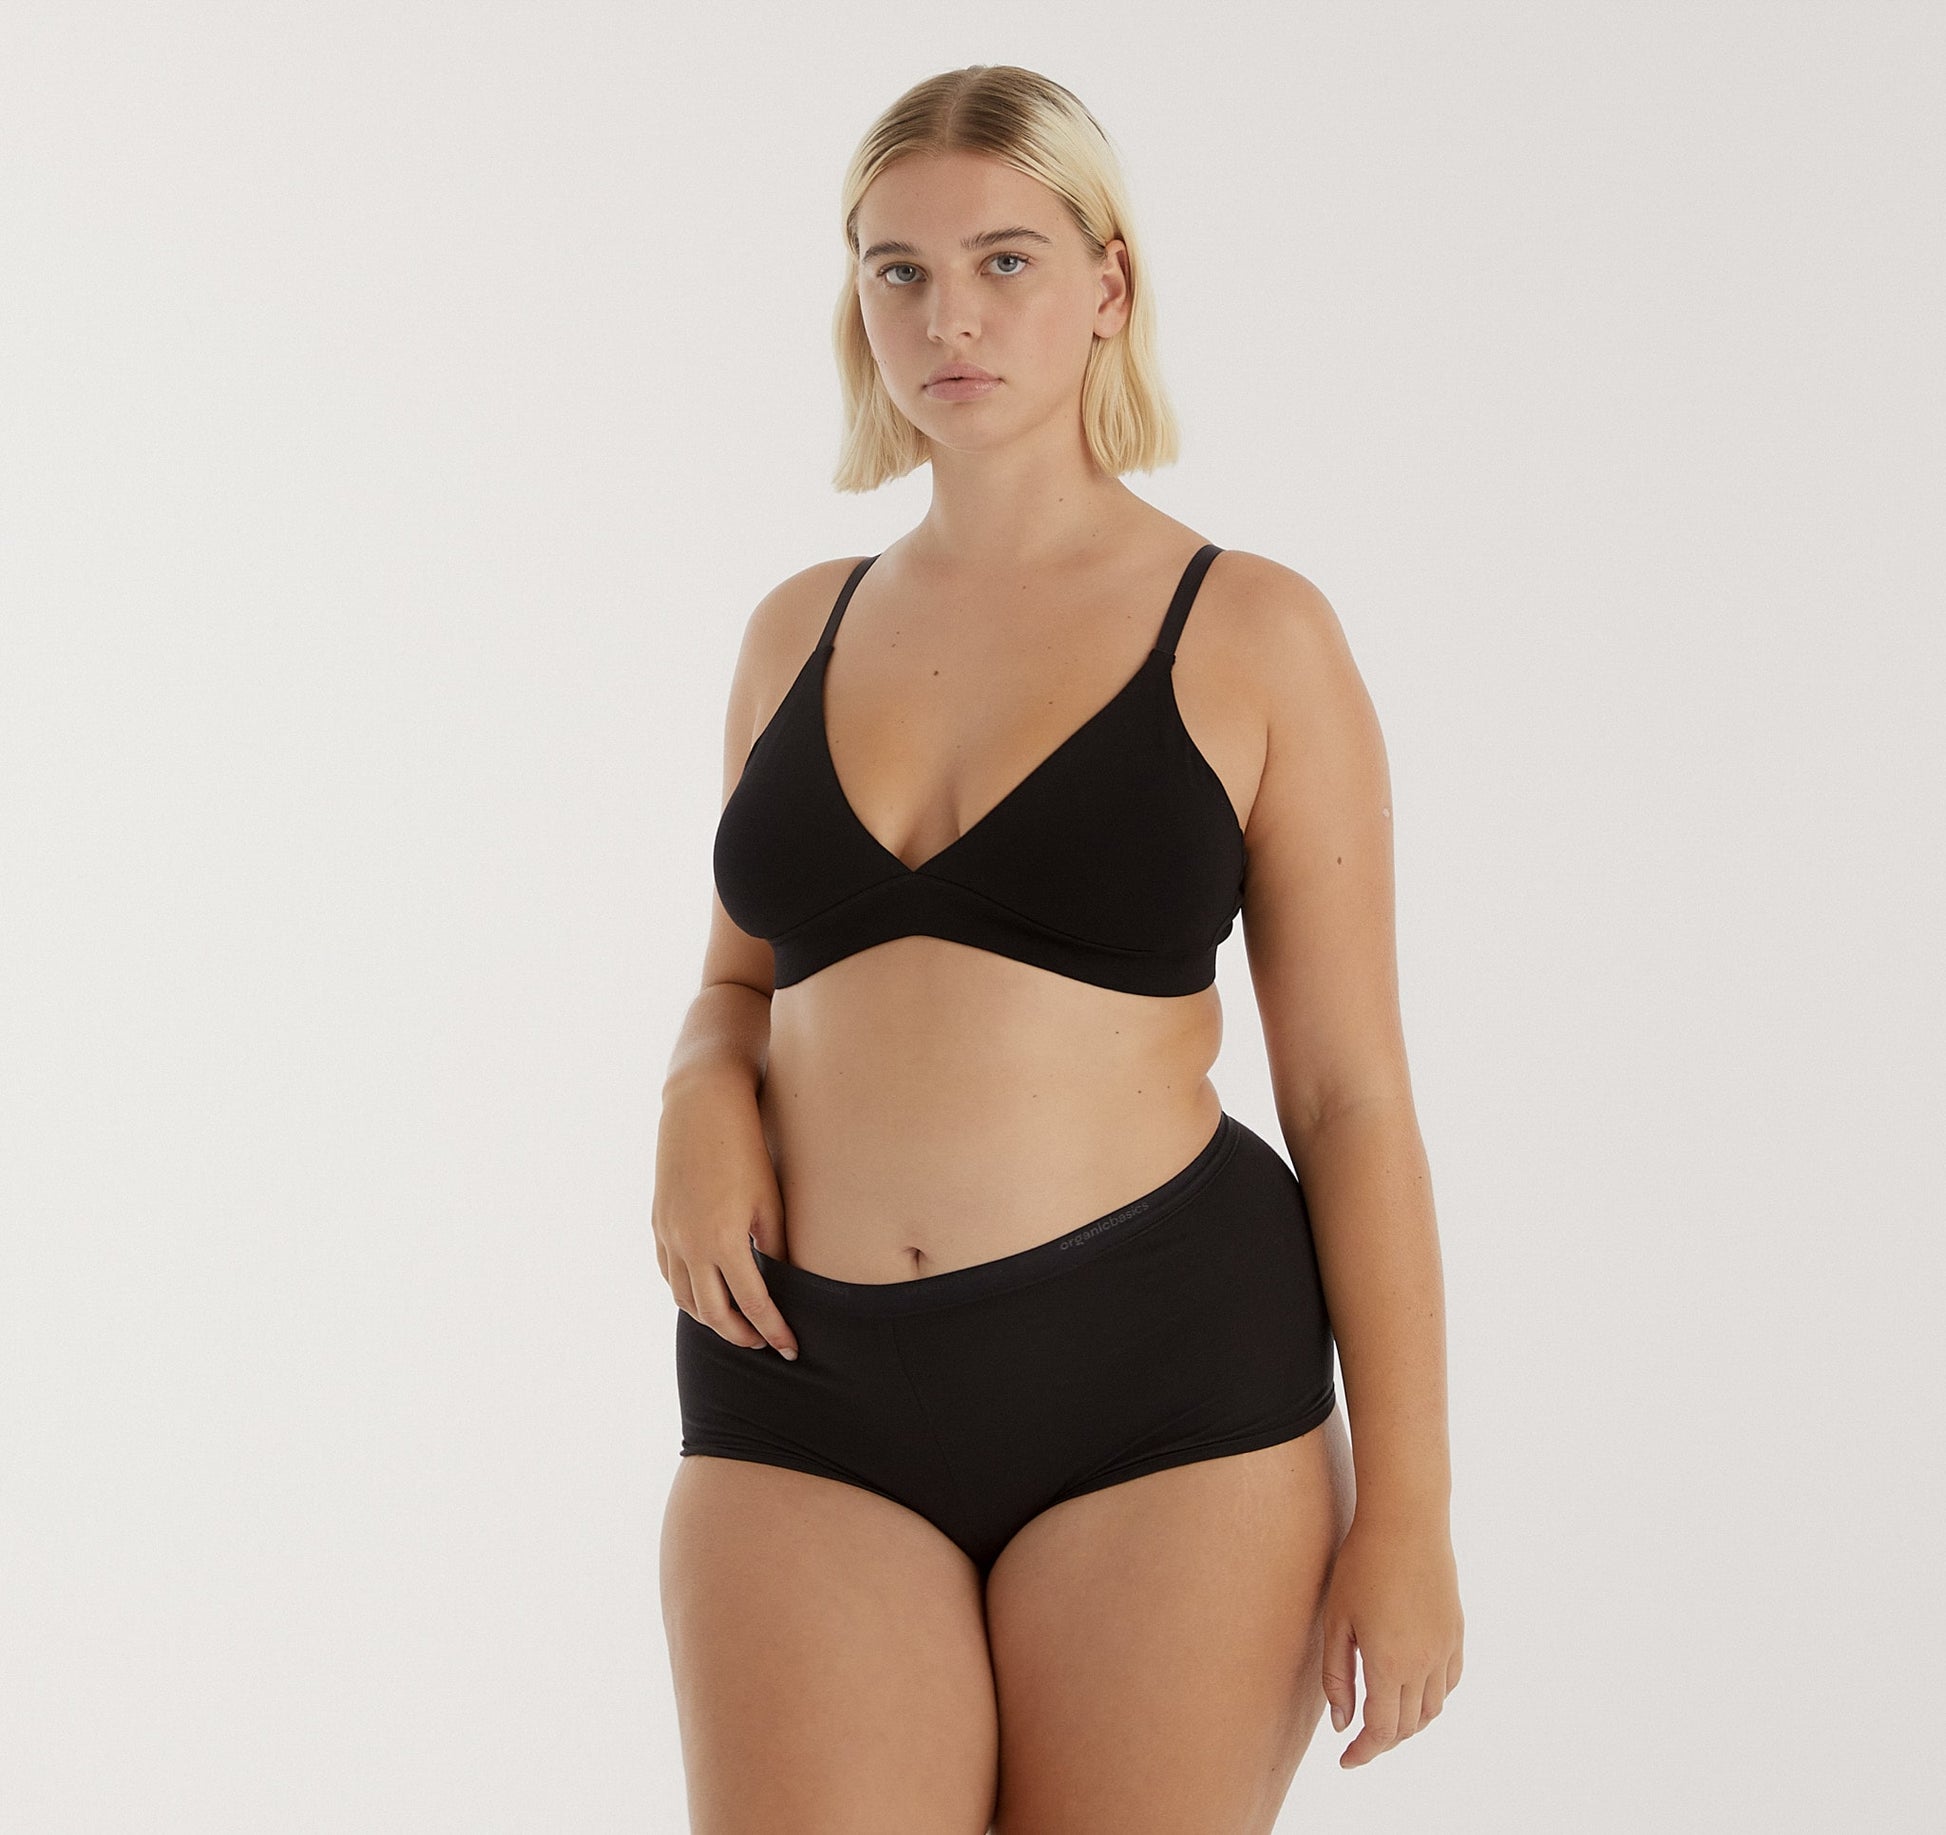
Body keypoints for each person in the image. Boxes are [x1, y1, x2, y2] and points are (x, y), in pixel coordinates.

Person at [655, 62, 1462, 1834]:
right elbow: (738, 982)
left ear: (1108, 285)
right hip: (801, 1388)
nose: (947, 317)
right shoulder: (796, 628)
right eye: (898, 270)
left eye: (1003, 262)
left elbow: (1347, 1098)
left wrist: (1409, 1511)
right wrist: (693, 1096)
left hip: (1163, 1393)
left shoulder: (1252, 631)